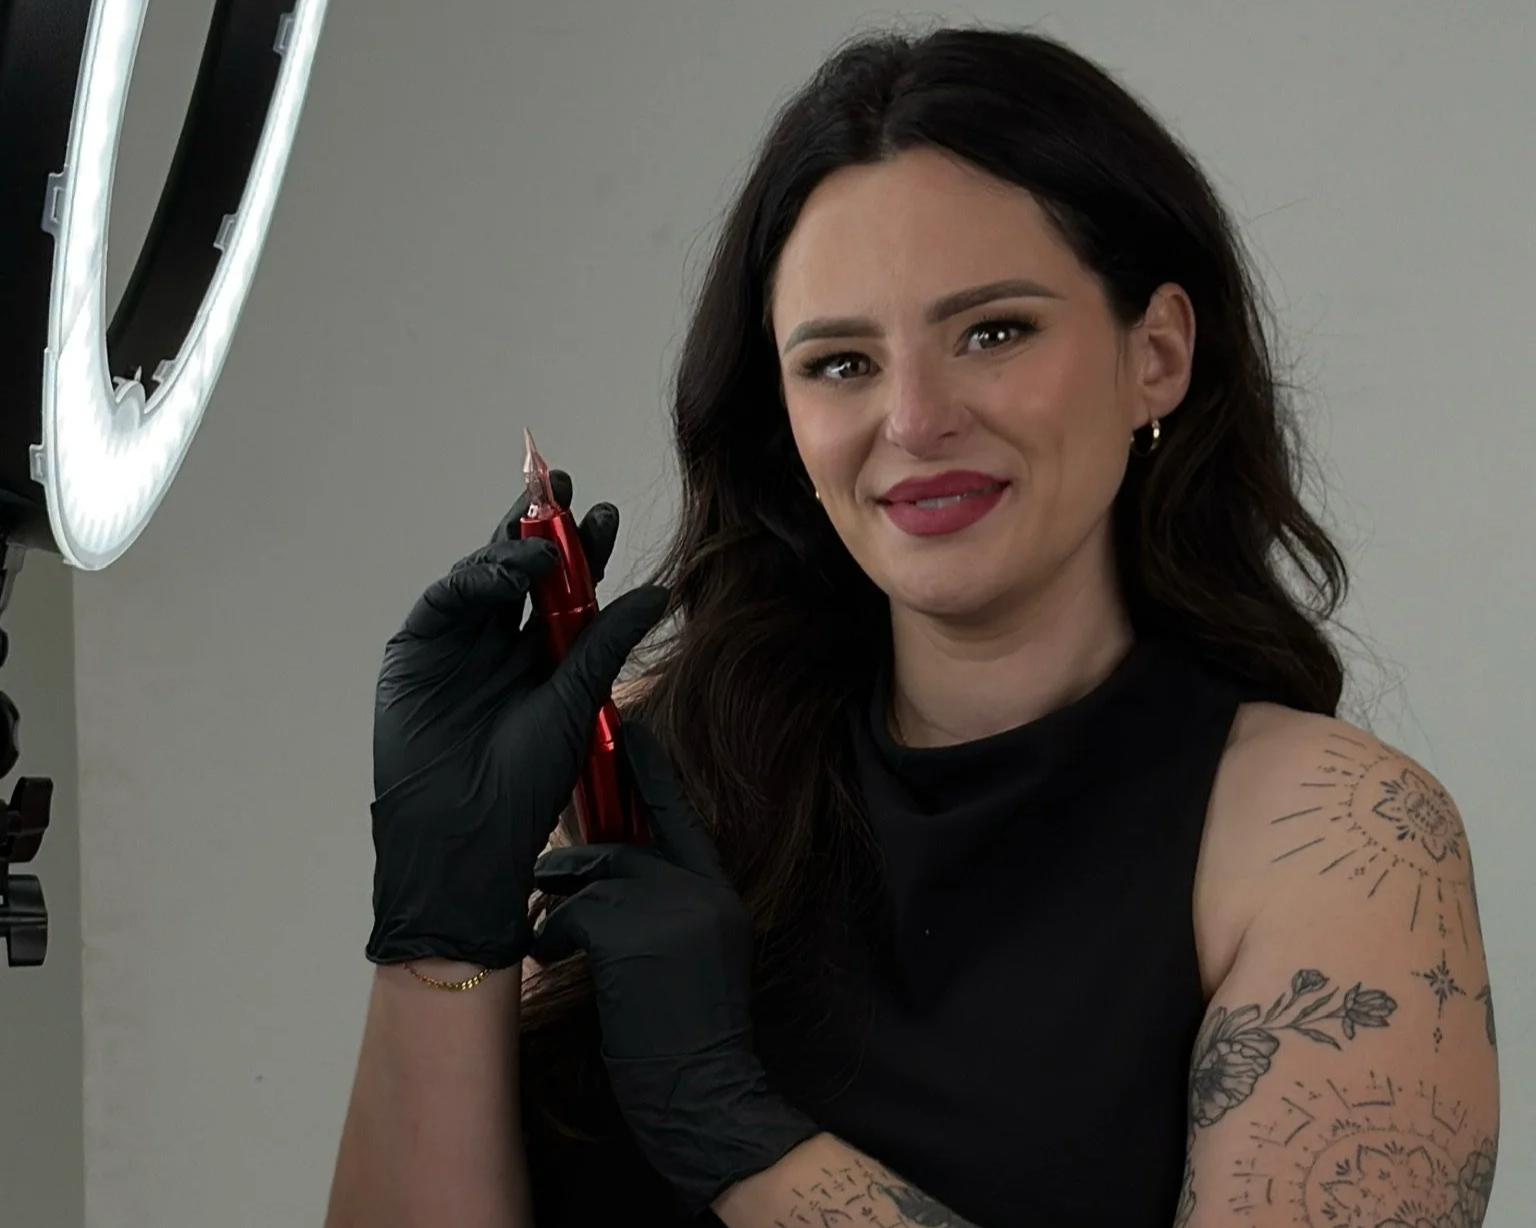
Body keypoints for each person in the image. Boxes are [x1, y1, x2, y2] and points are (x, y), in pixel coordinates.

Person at [324, 24, 1501, 1228]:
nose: (916, 417)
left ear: (1156, 353)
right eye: (840, 362)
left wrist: (739, 1136)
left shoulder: (1340, 845)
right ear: (780, 415)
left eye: (993, 331)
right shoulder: (650, 766)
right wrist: (435, 926)